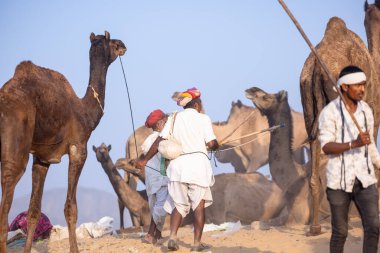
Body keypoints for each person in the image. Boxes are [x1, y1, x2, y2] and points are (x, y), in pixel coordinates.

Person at [135, 87, 219, 252]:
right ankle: (196, 244)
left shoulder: (173, 119)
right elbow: (211, 144)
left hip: (178, 168)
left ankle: (172, 237)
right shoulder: (203, 119)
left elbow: (159, 140)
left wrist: (144, 160)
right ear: (196, 105)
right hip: (197, 167)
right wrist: (216, 145)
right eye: (200, 103)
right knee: (199, 206)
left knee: (178, 205)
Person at [318, 66, 380, 253]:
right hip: (338, 183)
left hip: (365, 180)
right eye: (357, 85)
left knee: (374, 227)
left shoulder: (366, 111)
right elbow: (326, 146)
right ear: (344, 87)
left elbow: (369, 145)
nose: (362, 89)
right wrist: (353, 144)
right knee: (340, 232)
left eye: (363, 85)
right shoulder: (329, 112)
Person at [141, 109, 169, 244]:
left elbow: (144, 154)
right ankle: (150, 234)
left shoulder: (148, 140)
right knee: (161, 206)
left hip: (151, 180)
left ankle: (157, 234)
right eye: (164, 121)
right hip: (160, 177)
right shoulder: (161, 139)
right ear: (159, 124)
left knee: (155, 206)